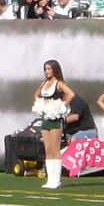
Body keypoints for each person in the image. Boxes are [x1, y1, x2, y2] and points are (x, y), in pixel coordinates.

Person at [33, 59, 74, 190]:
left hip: (55, 119)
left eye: (49, 69)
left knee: (55, 149)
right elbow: (36, 94)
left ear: (55, 70)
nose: (47, 71)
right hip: (46, 118)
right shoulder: (44, 83)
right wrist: (41, 105)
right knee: (48, 149)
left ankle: (56, 180)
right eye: (45, 69)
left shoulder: (59, 84)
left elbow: (71, 94)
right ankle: (50, 179)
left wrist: (61, 105)